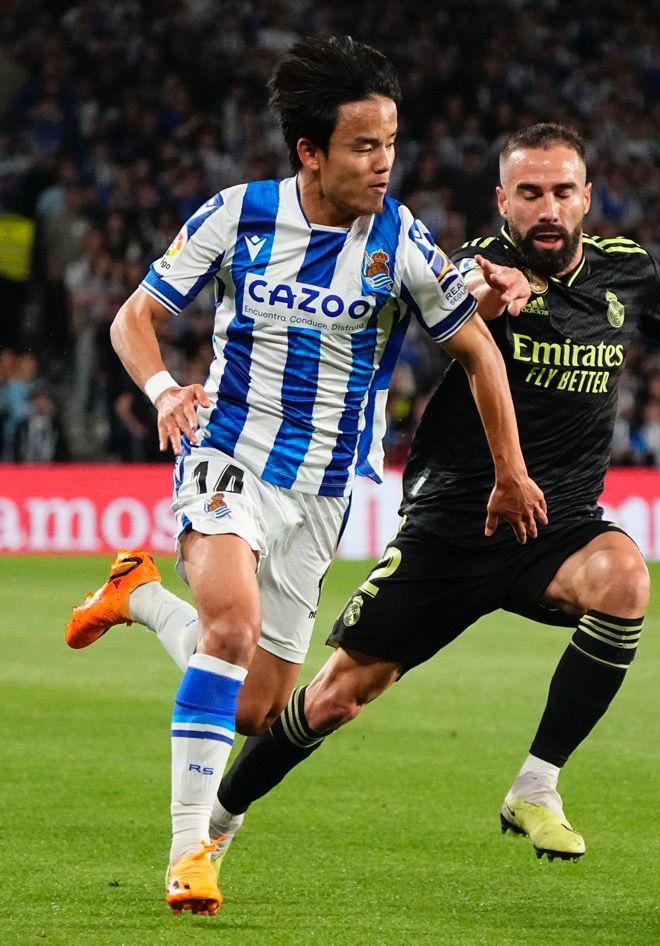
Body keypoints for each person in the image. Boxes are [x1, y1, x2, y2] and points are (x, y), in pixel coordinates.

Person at [210, 123, 660, 861]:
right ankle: (220, 817)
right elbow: (461, 308)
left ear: (587, 197)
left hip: (557, 526)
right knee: (335, 699)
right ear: (502, 202)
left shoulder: (625, 273)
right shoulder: (473, 265)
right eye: (529, 193)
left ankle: (536, 786)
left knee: (625, 581)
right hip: (454, 527)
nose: (547, 208)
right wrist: (487, 292)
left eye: (561, 192)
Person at [59, 36, 543, 915]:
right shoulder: (236, 214)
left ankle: (137, 594)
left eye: (391, 142)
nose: (383, 162)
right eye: (364, 145)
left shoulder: (398, 238)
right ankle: (187, 854)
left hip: (322, 492)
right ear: (310, 152)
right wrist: (167, 390)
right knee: (233, 627)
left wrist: (511, 471)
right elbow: (136, 317)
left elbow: (475, 351)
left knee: (258, 706)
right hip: (228, 454)